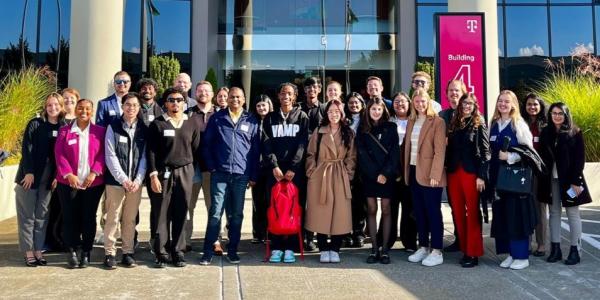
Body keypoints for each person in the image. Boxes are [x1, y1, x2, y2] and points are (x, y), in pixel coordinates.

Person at [200, 87, 260, 265]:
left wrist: (253, 175)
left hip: (241, 175)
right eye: (232, 97)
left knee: (237, 214)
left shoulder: (251, 120)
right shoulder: (217, 118)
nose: (235, 99)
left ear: (243, 99)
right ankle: (208, 251)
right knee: (215, 213)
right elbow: (206, 145)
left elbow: (255, 151)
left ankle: (232, 250)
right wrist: (211, 167)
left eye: (238, 97)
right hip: (220, 174)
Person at [146, 87, 201, 268]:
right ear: (165, 103)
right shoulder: (158, 123)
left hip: (185, 171)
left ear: (184, 103)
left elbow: (195, 147)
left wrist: (187, 166)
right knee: (161, 213)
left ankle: (177, 250)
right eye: (171, 99)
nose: (175, 103)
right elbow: (151, 152)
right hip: (162, 173)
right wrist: (154, 175)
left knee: (181, 211)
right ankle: (161, 252)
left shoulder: (192, 122)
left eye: (179, 99)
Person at [489, 90, 540, 270]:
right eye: (500, 101)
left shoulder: (518, 124)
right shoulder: (494, 124)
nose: (503, 104)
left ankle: (521, 256)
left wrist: (510, 156)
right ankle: (511, 253)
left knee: (516, 216)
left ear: (513, 105)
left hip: (515, 181)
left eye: (507, 102)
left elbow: (529, 152)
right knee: (504, 216)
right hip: (498, 179)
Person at [54, 99, 106, 268]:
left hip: (93, 183)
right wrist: (69, 174)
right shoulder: (64, 131)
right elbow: (59, 154)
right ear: (75, 110)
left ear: (92, 111)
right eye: (80, 108)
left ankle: (86, 251)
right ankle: (72, 251)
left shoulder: (100, 131)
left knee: (89, 217)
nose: (84, 111)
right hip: (68, 183)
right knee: (70, 217)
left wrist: (94, 172)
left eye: (88, 109)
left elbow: (103, 154)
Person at [539, 102, 592, 265]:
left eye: (560, 113)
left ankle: (575, 250)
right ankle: (555, 249)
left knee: (573, 214)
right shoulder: (546, 132)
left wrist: (576, 181)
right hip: (551, 180)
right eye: (554, 113)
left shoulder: (574, 132)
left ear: (566, 115)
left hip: (570, 181)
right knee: (554, 213)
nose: (557, 116)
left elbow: (579, 159)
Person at [15, 93, 65, 266]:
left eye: (56, 105)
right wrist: (28, 172)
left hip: (49, 181)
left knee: (42, 216)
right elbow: (26, 149)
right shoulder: (35, 124)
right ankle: (29, 252)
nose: (53, 108)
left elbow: (63, 155)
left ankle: (38, 250)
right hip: (29, 179)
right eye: (49, 105)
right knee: (27, 217)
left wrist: (58, 176)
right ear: (45, 107)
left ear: (61, 107)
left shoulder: (63, 127)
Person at [263, 82, 309, 263]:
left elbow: (303, 144)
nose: (286, 96)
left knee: (293, 210)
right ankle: (276, 247)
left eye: (289, 93)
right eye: (283, 93)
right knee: (274, 208)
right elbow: (266, 143)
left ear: (295, 96)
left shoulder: (302, 117)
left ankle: (290, 247)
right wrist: (274, 165)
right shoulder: (270, 118)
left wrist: (293, 168)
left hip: (294, 173)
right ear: (278, 96)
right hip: (274, 172)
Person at [305, 99, 356, 263]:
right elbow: (310, 153)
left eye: (337, 111)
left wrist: (348, 174)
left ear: (342, 113)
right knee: (321, 212)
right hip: (321, 174)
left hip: (340, 174)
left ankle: (335, 249)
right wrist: (311, 171)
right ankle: (323, 249)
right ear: (326, 113)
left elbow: (352, 156)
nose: (334, 114)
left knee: (339, 213)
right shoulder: (319, 131)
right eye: (330, 111)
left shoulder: (348, 132)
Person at [102, 92, 148, 269]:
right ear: (122, 106)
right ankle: (110, 253)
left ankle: (127, 252)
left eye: (135, 105)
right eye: (128, 104)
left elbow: (144, 157)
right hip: (116, 182)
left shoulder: (143, 128)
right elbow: (110, 155)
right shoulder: (113, 127)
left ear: (139, 108)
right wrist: (123, 179)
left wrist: (137, 179)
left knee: (129, 219)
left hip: (135, 183)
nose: (131, 108)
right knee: (113, 217)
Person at [446, 93, 490, 268]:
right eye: (464, 103)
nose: (466, 106)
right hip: (453, 173)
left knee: (472, 213)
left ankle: (473, 253)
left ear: (475, 105)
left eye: (470, 104)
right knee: (457, 212)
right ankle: (464, 248)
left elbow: (486, 153)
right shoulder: (454, 123)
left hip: (471, 174)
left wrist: (481, 175)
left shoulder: (479, 124)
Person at [404, 88, 447, 267]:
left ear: (428, 102)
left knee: (433, 213)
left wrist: (435, 174)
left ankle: (437, 250)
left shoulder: (437, 122)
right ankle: (423, 246)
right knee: (419, 212)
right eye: (416, 101)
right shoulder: (411, 121)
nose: (420, 104)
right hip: (414, 171)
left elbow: (439, 151)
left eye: (423, 101)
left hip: (430, 174)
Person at [356, 97, 400, 264]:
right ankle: (374, 249)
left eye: (379, 109)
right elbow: (361, 154)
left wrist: (385, 173)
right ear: (368, 110)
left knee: (387, 209)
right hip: (369, 176)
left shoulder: (391, 127)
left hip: (386, 176)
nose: (376, 112)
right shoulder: (363, 129)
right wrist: (375, 174)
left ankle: (385, 249)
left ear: (383, 110)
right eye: (373, 109)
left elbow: (394, 153)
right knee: (372, 209)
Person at [377, 91, 417, 252]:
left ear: (409, 104)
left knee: (409, 207)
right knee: (389, 208)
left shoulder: (415, 122)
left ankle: (409, 242)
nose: (400, 104)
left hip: (409, 170)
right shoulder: (387, 122)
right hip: (391, 171)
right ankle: (385, 240)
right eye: (396, 102)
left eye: (403, 101)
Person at [184, 80, 220, 254]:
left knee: (213, 206)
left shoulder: (220, 114)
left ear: (212, 94)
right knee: (187, 206)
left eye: (206, 91)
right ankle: (184, 241)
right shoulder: (187, 114)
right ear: (195, 94)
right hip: (192, 166)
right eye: (199, 91)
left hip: (212, 168)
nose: (203, 93)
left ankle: (215, 240)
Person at [438, 79, 467, 253]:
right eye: (450, 91)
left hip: (467, 169)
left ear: (463, 92)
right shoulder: (443, 115)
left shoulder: (472, 114)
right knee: (455, 206)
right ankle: (459, 238)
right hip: (450, 168)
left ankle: (469, 241)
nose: (454, 93)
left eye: (457, 90)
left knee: (469, 207)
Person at [523, 93, 550, 257]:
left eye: (535, 104)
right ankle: (526, 242)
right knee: (525, 207)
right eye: (529, 104)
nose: (532, 107)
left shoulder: (546, 125)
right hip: (524, 171)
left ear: (540, 106)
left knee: (540, 208)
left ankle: (541, 244)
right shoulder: (520, 122)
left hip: (540, 173)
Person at [344, 92, 367, 247]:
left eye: (357, 102)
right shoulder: (343, 121)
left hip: (364, 166)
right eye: (351, 103)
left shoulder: (367, 120)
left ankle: (359, 232)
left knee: (361, 202)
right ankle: (346, 232)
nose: (354, 105)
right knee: (345, 201)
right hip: (345, 164)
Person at [251, 95, 274, 244]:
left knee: (270, 200)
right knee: (257, 201)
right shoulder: (252, 121)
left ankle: (269, 233)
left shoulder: (274, 121)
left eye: (264, 105)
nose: (261, 108)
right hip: (256, 167)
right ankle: (258, 233)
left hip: (270, 167)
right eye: (258, 105)